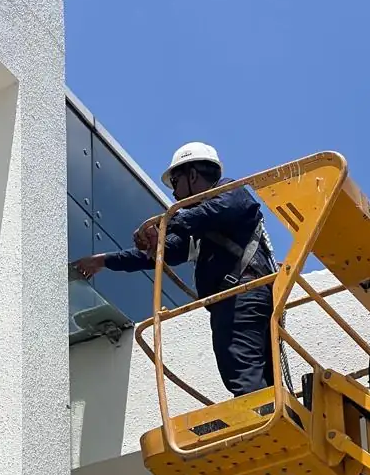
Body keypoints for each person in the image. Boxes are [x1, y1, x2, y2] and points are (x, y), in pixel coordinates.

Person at [71, 142, 277, 397]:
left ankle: (259, 421)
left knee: (244, 374)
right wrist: (104, 260)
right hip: (235, 300)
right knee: (254, 375)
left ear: (193, 175)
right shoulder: (202, 226)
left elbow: (209, 211)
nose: (174, 195)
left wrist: (165, 222)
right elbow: (162, 254)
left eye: (176, 182)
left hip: (242, 297)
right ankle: (273, 420)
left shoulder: (231, 192)